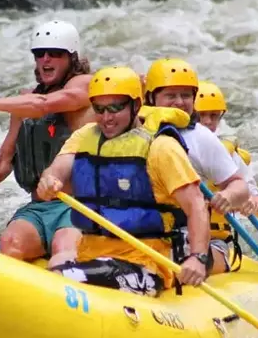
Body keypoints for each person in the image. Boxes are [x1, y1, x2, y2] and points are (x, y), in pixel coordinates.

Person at [36, 66, 210, 296]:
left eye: (115, 108)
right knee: (51, 270)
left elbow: (196, 205)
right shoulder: (84, 136)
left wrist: (198, 257)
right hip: (91, 254)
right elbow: (57, 170)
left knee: (57, 281)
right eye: (99, 109)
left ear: (136, 105)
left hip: (145, 263)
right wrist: (49, 182)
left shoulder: (161, 148)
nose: (106, 118)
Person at [0, 20, 94, 267]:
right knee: (10, 243)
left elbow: (44, 105)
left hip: (78, 204)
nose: (46, 60)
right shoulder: (24, 103)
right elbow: (4, 160)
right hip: (39, 207)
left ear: (72, 58)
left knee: (64, 247)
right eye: (40, 54)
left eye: (56, 54)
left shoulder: (84, 85)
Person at [142, 58, 249, 274]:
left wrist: (228, 196)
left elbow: (240, 186)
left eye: (186, 95)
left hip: (200, 241)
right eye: (171, 95)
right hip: (144, 234)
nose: (180, 102)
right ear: (152, 98)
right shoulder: (132, 130)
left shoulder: (201, 137)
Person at [195, 80, 258, 218]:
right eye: (201, 115)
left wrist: (252, 203)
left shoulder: (228, 153)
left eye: (214, 115)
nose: (207, 121)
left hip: (219, 236)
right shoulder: (173, 144)